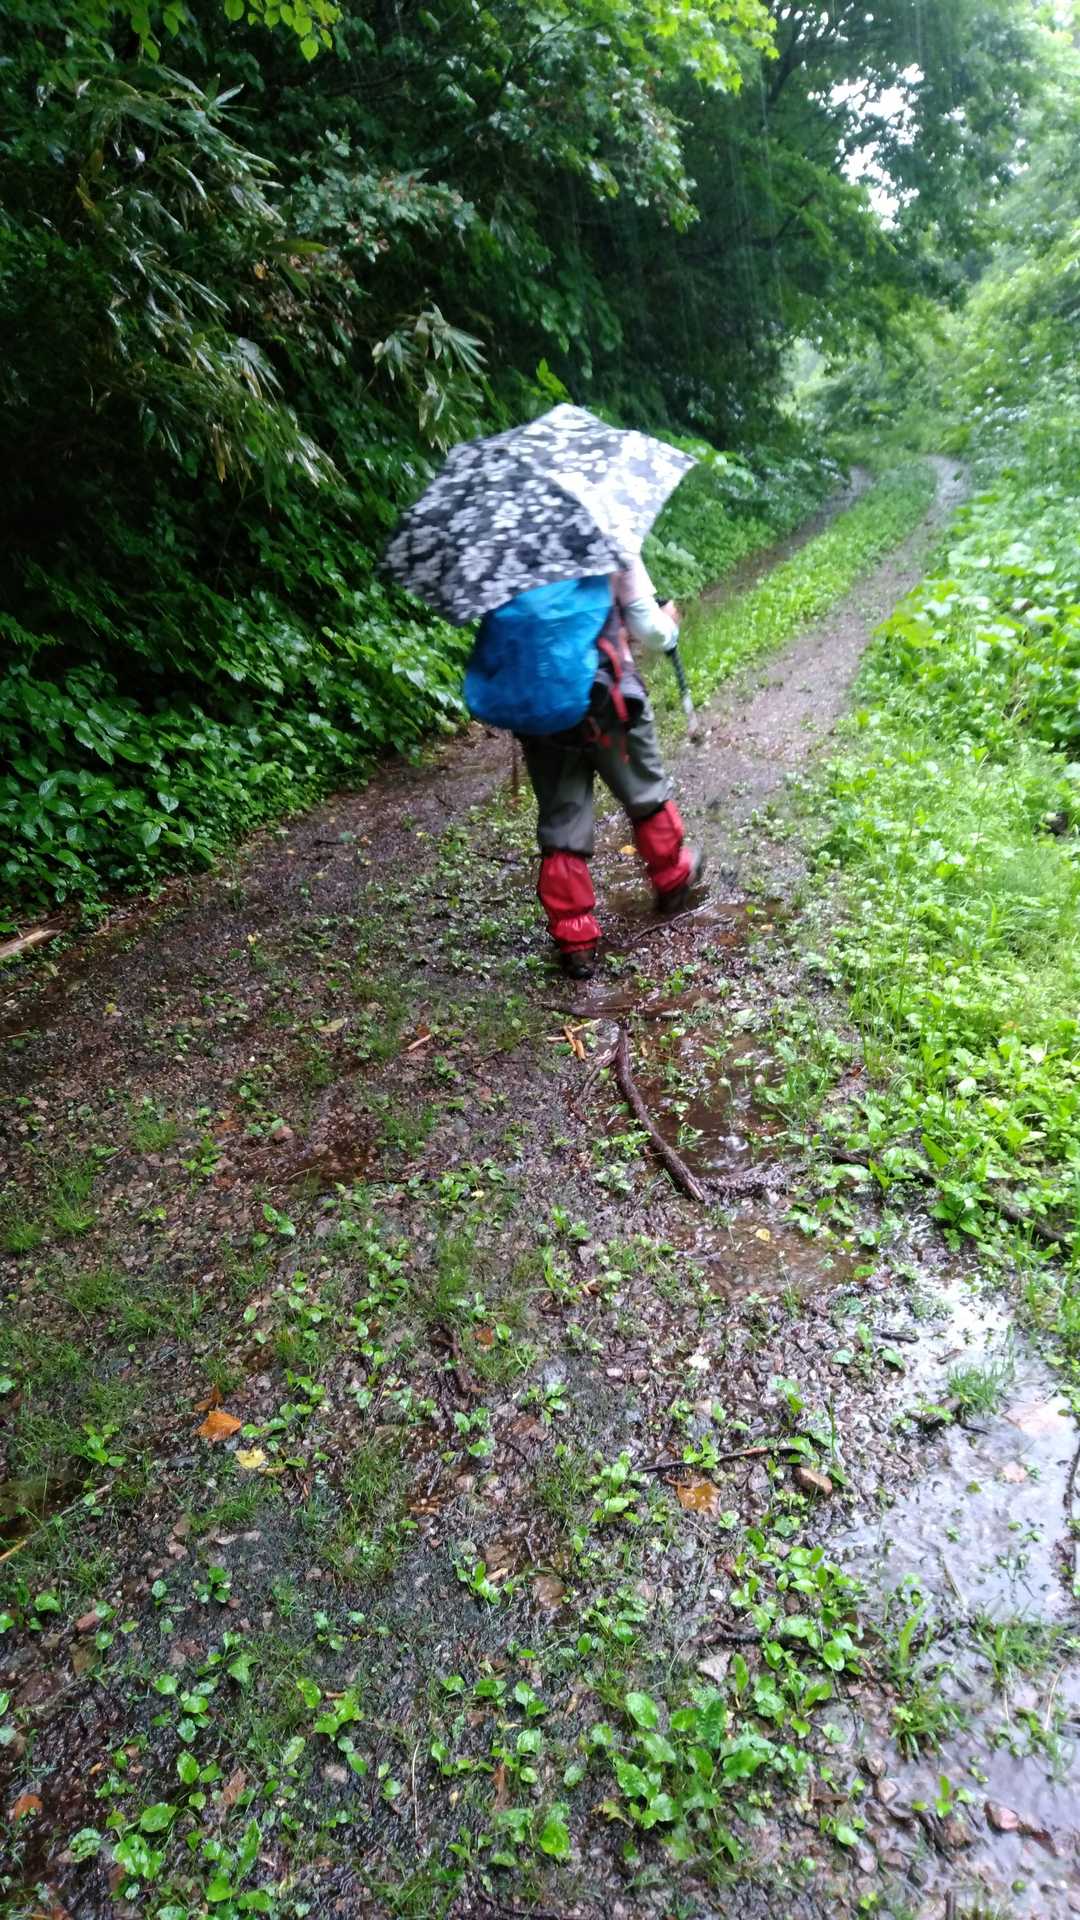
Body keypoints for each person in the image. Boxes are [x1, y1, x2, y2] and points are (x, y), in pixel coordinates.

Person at [468, 557, 704, 980]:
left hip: (542, 713)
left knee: (563, 822)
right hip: (607, 699)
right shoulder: (604, 536)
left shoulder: (503, 555)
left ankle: (576, 941)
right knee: (645, 794)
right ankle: (673, 880)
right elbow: (649, 628)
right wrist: (669, 625)